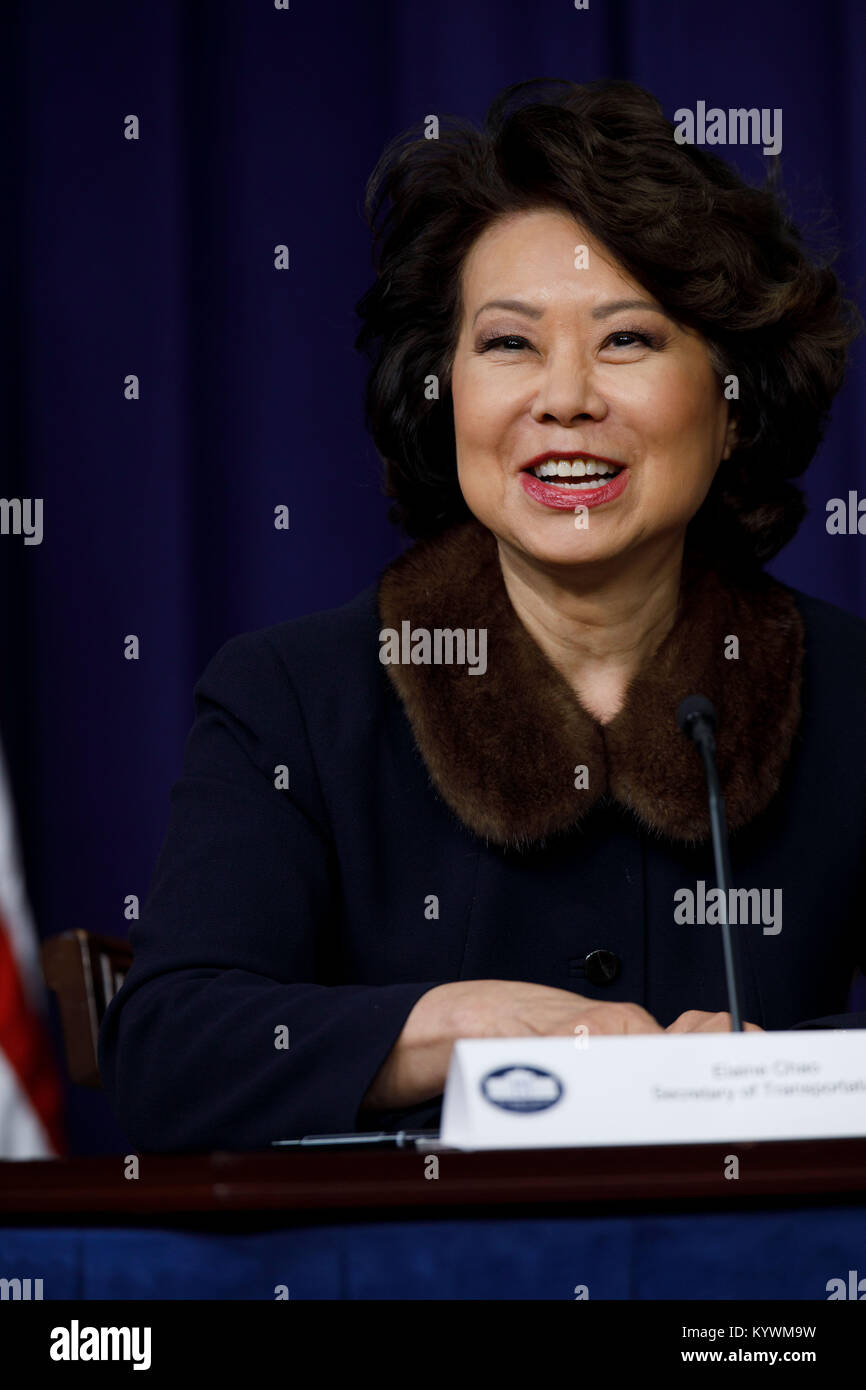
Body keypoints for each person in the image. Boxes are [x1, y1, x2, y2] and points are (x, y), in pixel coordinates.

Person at [99, 78, 865, 1151]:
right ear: (441, 389)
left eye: (628, 340)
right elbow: (168, 1055)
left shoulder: (848, 694)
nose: (563, 398)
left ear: (734, 403)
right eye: (507, 344)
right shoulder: (292, 699)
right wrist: (457, 1026)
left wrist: (778, 1074)